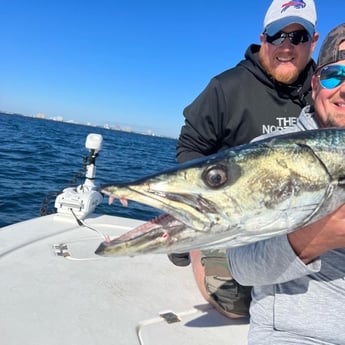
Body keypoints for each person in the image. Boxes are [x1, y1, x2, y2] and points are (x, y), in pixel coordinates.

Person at [169, 0, 319, 319]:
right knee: (237, 305)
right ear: (263, 38)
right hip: (233, 219)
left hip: (296, 219)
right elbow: (190, 148)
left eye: (299, 37)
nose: (287, 47)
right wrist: (210, 214)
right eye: (278, 36)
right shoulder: (226, 88)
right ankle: (196, 244)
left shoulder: (327, 90)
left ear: (314, 42)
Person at [228, 23, 345, 344]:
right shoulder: (269, 152)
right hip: (300, 335)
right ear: (315, 83)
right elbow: (242, 267)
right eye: (335, 74)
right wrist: (315, 238)